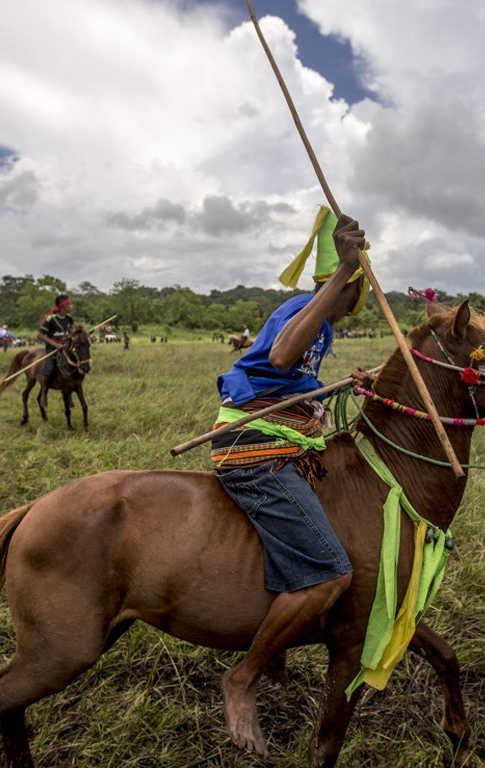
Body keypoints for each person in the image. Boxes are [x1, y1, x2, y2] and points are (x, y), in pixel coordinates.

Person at [210, 206, 370, 757]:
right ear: (348, 289)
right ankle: (243, 678)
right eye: (357, 289)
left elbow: (290, 377)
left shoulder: (318, 323)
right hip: (256, 448)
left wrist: (341, 385)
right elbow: (279, 355)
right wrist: (345, 270)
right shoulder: (308, 308)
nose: (356, 303)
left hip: (286, 444)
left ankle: (276, 646)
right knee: (329, 574)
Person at [36, 294, 73, 376]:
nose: (71, 306)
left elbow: (71, 332)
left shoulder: (69, 318)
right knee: (48, 370)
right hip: (53, 348)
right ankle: (45, 385)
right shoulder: (51, 318)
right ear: (63, 306)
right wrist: (56, 344)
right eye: (69, 304)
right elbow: (40, 335)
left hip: (66, 347)